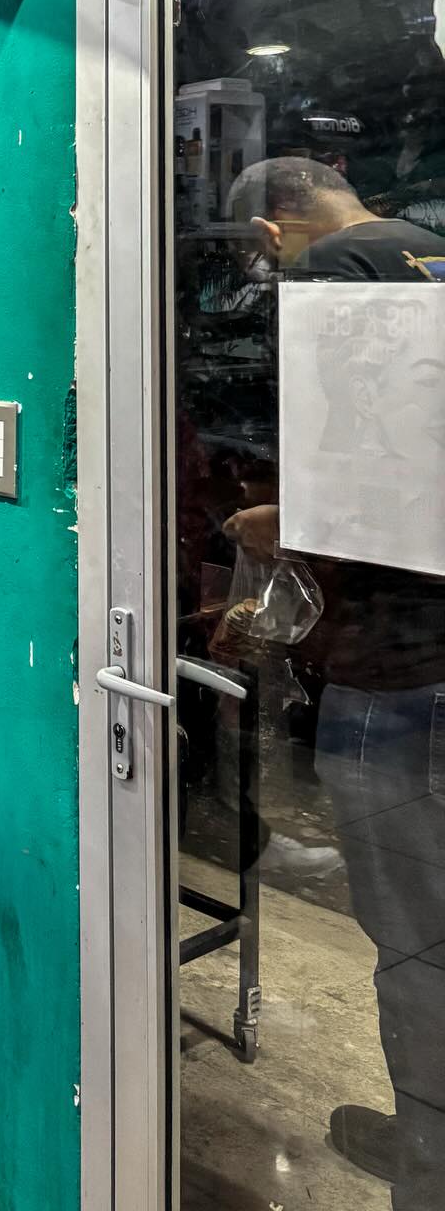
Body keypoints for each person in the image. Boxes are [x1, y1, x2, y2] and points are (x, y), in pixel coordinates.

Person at [225, 156, 445, 1206]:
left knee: (414, 929)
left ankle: (429, 1159)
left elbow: (366, 477)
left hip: (395, 661)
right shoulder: (433, 255)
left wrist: (285, 524)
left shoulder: (334, 274)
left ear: (275, 231)